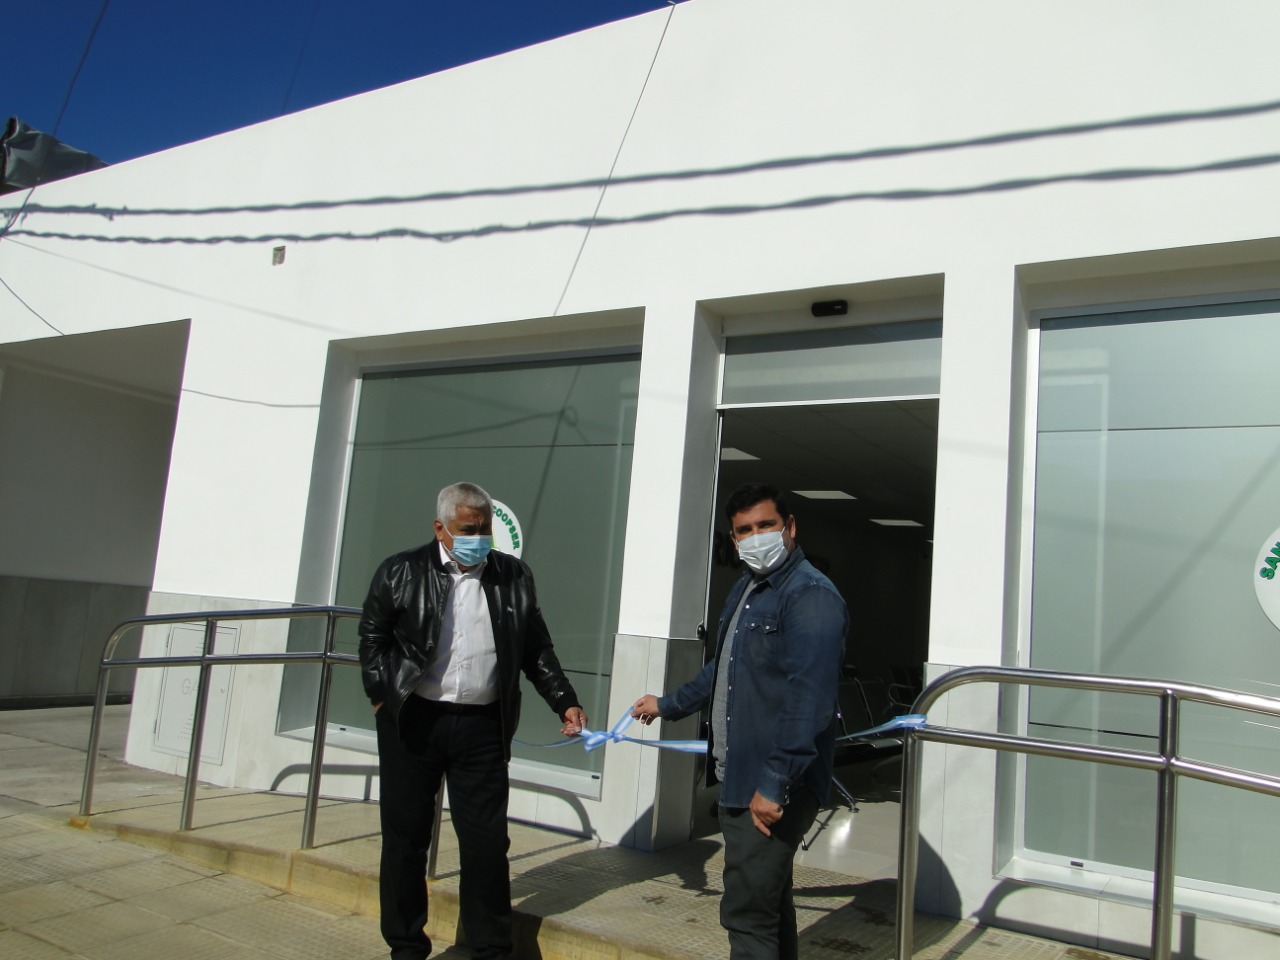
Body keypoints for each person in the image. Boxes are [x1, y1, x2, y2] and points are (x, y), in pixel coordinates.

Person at [359, 481, 587, 960]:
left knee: (486, 844)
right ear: (440, 529)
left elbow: (536, 648)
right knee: (405, 840)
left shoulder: (513, 576)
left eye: (484, 529)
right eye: (467, 529)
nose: (478, 538)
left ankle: (489, 948)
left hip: (482, 728)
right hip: (414, 723)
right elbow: (372, 638)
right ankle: (406, 946)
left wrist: (564, 700)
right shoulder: (400, 571)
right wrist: (383, 699)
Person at [631, 482, 847, 960]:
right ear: (733, 539)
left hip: (771, 786)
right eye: (744, 530)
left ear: (790, 527)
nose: (755, 537)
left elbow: (809, 701)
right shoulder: (748, 588)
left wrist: (774, 783)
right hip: (740, 776)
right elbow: (723, 668)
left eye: (766, 525)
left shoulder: (810, 595)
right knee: (769, 907)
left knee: (747, 916)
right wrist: (668, 705)